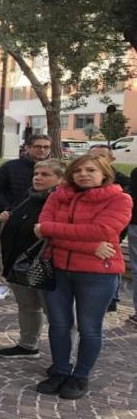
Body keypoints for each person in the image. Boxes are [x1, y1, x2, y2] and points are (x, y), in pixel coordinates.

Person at [34, 154, 131, 399]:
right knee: (58, 325)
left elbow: (102, 231)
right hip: (57, 269)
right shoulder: (58, 195)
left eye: (91, 170)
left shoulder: (119, 199)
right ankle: (60, 370)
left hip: (97, 273)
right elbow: (42, 228)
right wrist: (89, 246)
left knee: (89, 328)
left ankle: (80, 376)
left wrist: (50, 230)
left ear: (104, 173)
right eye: (78, 170)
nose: (83, 174)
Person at [0, 159, 65, 359]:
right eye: (36, 173)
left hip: (44, 266)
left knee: (55, 314)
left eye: (45, 175)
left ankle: (63, 359)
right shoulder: (29, 196)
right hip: (19, 263)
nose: (38, 178)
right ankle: (28, 345)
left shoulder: (60, 201)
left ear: (60, 179)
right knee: (27, 306)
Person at [0, 134, 53, 301]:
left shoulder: (55, 167)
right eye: (38, 146)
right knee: (7, 250)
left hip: (43, 219)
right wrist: (7, 208)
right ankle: (4, 283)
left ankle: (33, 281)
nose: (42, 150)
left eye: (46, 147)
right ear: (28, 147)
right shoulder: (11, 166)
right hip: (11, 218)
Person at [87, 144, 129, 312]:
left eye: (102, 156)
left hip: (112, 229)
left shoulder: (123, 181)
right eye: (93, 156)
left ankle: (112, 297)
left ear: (112, 159)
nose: (97, 160)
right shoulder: (83, 178)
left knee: (111, 259)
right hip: (88, 231)